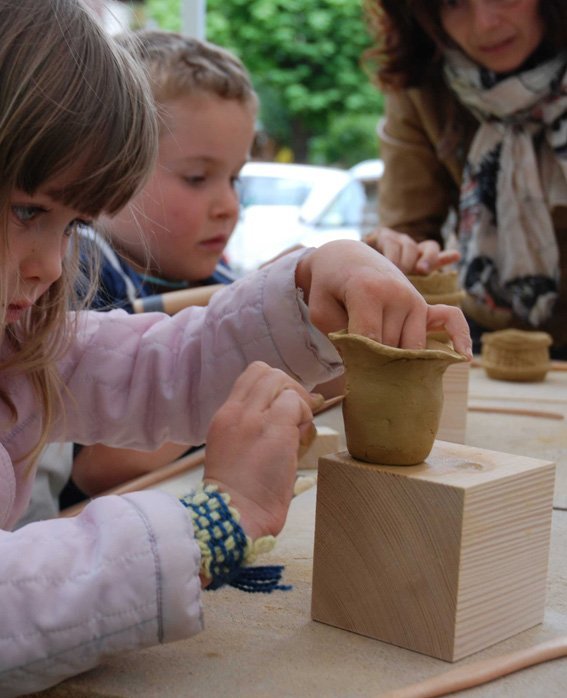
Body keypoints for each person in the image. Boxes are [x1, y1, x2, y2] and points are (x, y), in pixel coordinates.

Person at [0, 0, 471, 694]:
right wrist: (209, 523)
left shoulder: (16, 345)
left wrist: (313, 285)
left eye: (70, 227)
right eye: (27, 210)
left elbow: (159, 368)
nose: (46, 264)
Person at [18, 30, 258, 523]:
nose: (228, 206)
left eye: (235, 178)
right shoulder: (74, 274)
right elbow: (95, 471)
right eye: (197, 178)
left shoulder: (218, 272)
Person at [363, 0, 567, 356]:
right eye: (453, 3)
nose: (484, 24)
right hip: (478, 333)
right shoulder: (420, 84)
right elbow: (407, 231)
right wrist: (396, 252)